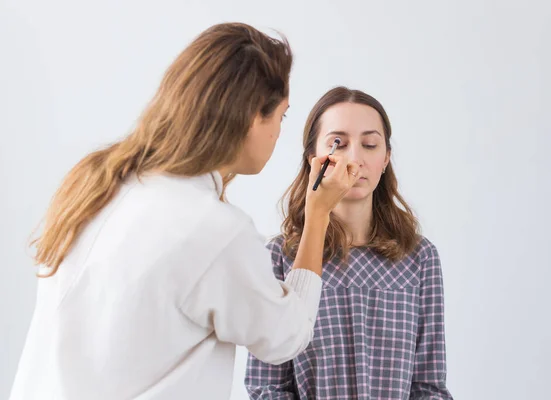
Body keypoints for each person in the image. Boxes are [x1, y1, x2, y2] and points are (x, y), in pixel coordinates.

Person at [9, 24, 359, 400]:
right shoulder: (216, 231)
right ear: (251, 118)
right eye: (281, 117)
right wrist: (318, 212)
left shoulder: (97, 182)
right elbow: (286, 335)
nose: (278, 132)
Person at [245, 86, 453, 399]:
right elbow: (267, 387)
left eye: (370, 144)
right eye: (338, 144)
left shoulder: (419, 258)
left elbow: (429, 387)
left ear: (386, 159)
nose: (355, 158)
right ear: (313, 158)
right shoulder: (280, 257)